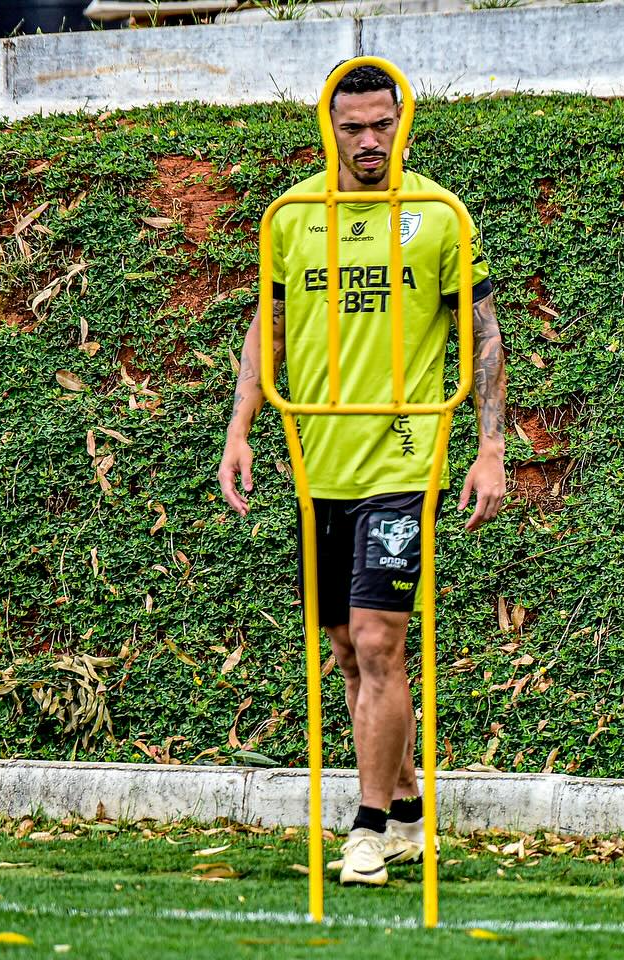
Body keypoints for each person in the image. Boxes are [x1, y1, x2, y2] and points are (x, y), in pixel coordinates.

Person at [217, 64, 507, 887]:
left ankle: (367, 827)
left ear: (402, 121)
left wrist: (489, 448)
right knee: (347, 652)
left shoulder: (437, 213)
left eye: (382, 124)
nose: (370, 141)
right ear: (329, 127)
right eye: (353, 128)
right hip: (319, 463)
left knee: (381, 641)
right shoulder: (295, 216)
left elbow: (482, 336)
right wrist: (239, 430)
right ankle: (409, 804)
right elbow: (264, 330)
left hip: (402, 459)